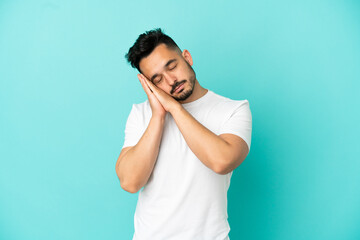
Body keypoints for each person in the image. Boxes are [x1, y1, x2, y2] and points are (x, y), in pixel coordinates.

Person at [115, 28, 252, 240]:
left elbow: (222, 161)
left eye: (172, 66)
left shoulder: (233, 109)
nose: (171, 81)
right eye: (157, 79)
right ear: (148, 85)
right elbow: (130, 182)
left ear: (186, 57)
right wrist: (158, 117)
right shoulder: (141, 114)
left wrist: (175, 109)